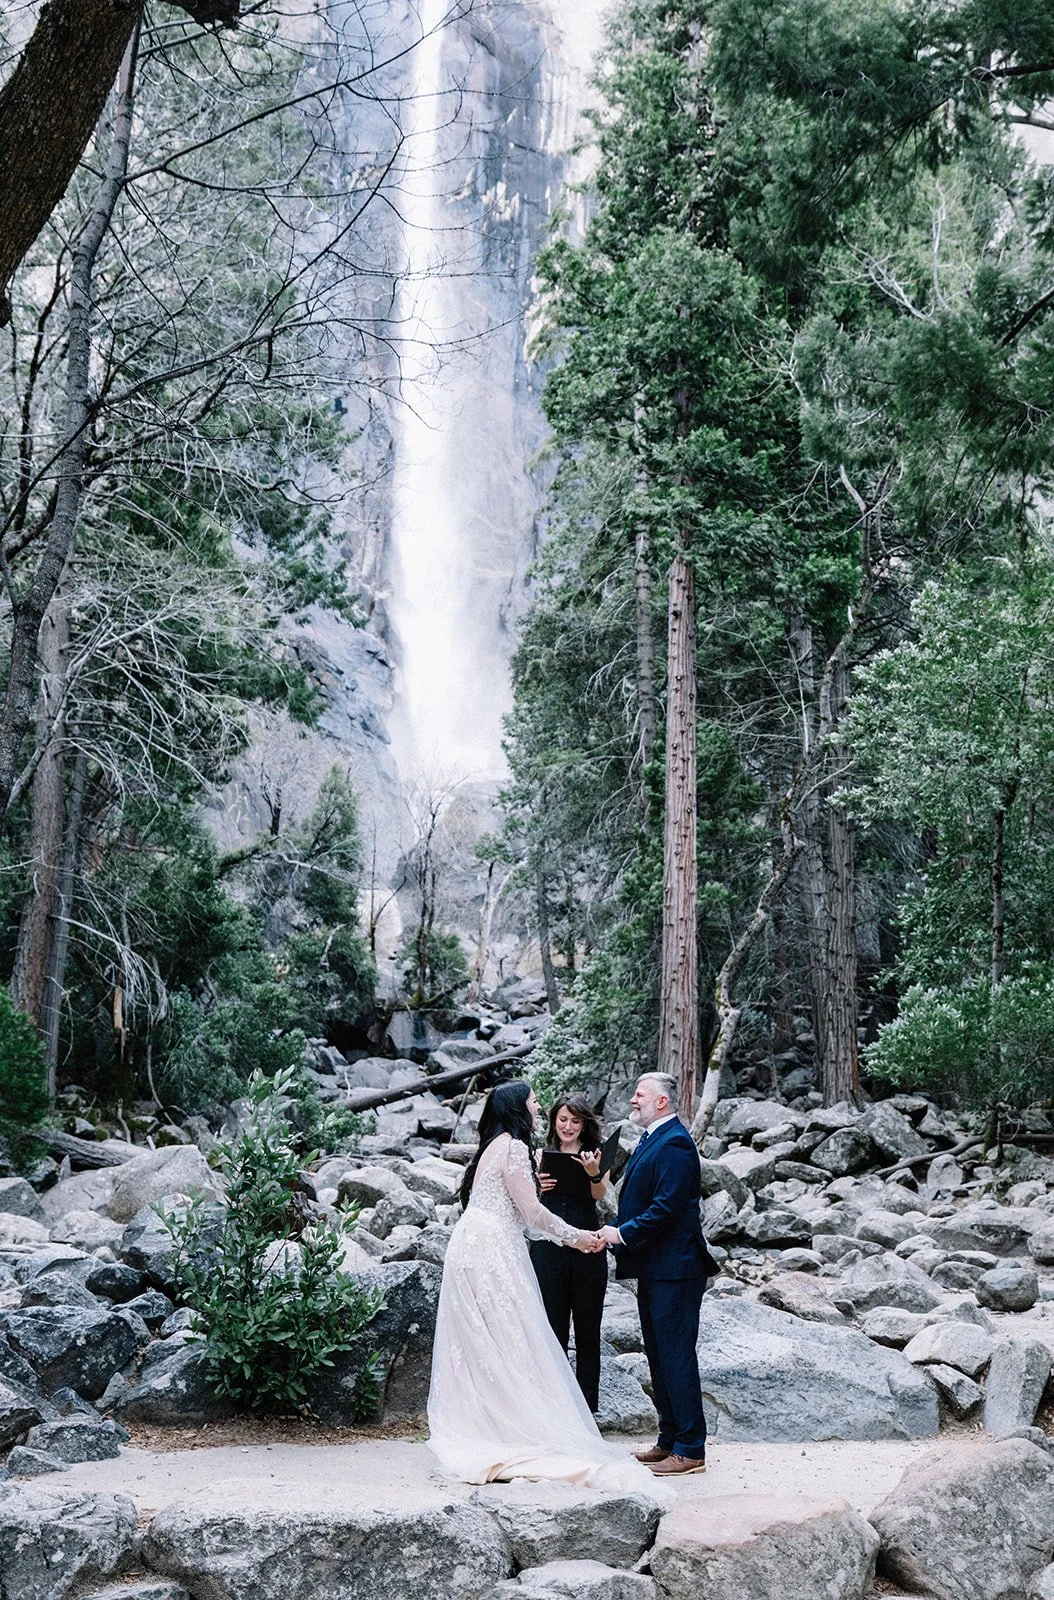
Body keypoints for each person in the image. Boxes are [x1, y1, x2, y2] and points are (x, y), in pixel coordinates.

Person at [427, 1080, 655, 1492]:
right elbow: (532, 1213)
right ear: (519, 1107)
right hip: (494, 1246)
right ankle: (517, 1424)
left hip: (472, 1241)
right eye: (534, 1101)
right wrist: (579, 1237)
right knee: (514, 1332)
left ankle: (487, 1422)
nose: (538, 1108)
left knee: (485, 1336)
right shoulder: (514, 1146)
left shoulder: (495, 1144)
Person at [598, 1071, 717, 1477]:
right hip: (656, 1268)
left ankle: (690, 1448)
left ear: (661, 1102)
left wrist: (622, 1233)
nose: (633, 1100)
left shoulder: (677, 1144)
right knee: (659, 1355)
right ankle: (669, 1439)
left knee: (677, 1356)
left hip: (677, 1270)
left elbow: (666, 1209)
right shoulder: (654, 1139)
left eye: (639, 1094)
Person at [529, 1094, 608, 1413]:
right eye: (563, 1119)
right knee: (552, 1330)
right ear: (554, 1121)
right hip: (549, 1249)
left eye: (575, 1121)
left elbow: (601, 1195)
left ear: (584, 1124)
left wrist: (594, 1172)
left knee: (589, 1332)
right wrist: (538, 1185)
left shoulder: (595, 1155)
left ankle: (588, 1410)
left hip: (588, 1247)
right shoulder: (539, 1154)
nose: (568, 1126)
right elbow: (528, 1202)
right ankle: (556, 1411)